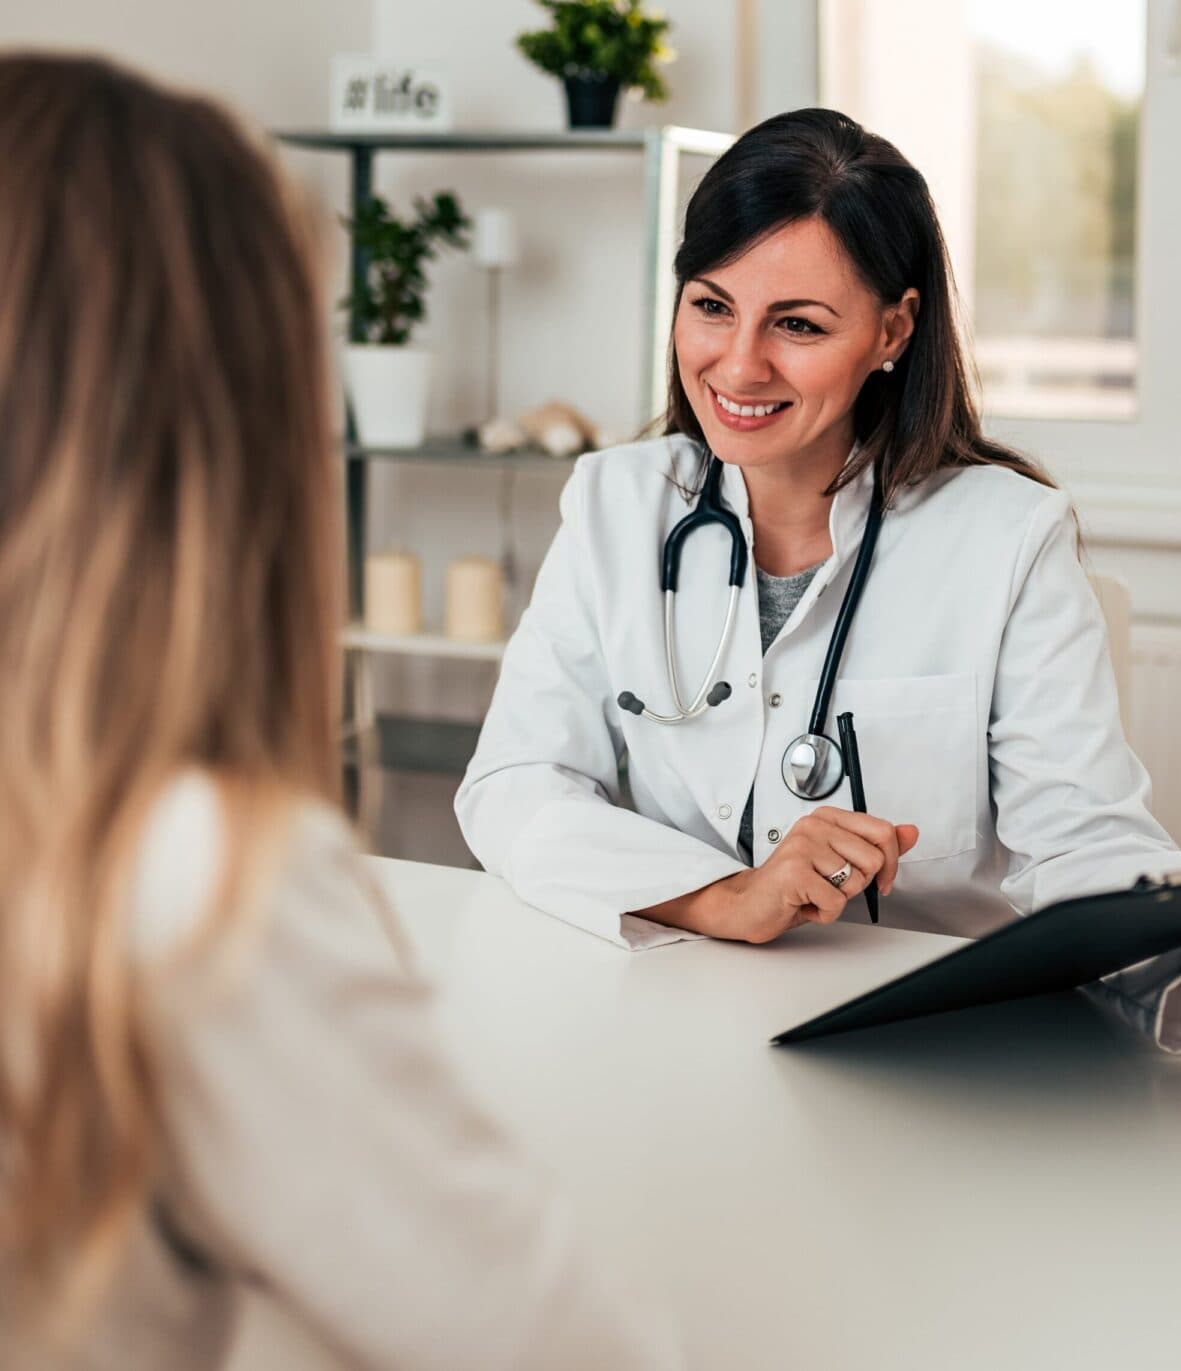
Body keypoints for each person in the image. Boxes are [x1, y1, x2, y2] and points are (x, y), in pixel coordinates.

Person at [0, 54, 674, 1370]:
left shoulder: (1002, 534)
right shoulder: (193, 878)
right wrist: (708, 886)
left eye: (802, 321)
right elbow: (555, 1341)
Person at [457, 109, 1181, 1051]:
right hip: (666, 1030)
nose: (738, 364)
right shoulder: (616, 505)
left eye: (799, 324)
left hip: (925, 1055)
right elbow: (515, 782)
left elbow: (1080, 843)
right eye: (711, 305)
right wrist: (726, 895)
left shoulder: (1007, 537)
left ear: (893, 328)